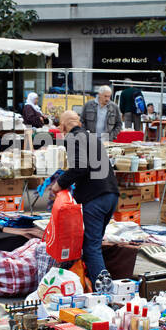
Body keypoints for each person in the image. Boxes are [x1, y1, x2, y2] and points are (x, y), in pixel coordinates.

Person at [49, 109, 119, 285]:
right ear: (79, 123)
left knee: (91, 247)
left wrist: (59, 184)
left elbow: (80, 167)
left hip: (95, 197)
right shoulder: (91, 137)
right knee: (94, 244)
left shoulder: (73, 138)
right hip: (110, 195)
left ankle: (103, 288)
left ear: (63, 127)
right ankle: (94, 282)